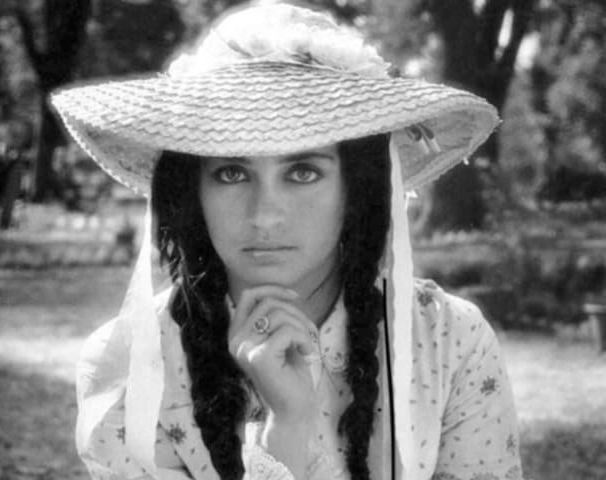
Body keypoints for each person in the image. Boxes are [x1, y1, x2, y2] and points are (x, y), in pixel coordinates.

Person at [52, 2, 524, 479]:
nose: (264, 215)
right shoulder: (128, 366)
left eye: (302, 172)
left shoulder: (448, 341)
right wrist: (286, 429)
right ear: (193, 191)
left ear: (356, 188)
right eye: (231, 172)